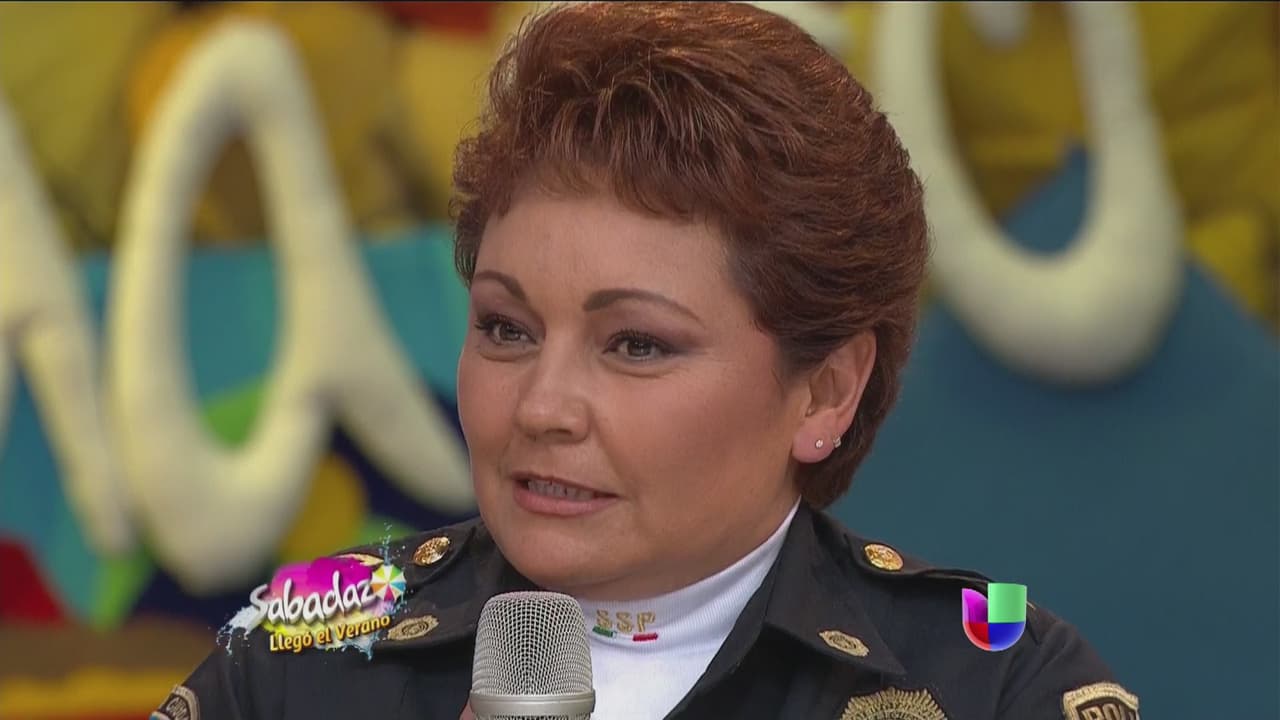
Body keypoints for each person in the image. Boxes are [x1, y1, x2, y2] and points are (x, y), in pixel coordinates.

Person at [154, 3, 1139, 719]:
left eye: (635, 344)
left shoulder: (994, 676)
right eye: (506, 328)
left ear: (825, 391)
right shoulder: (297, 651)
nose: (541, 406)